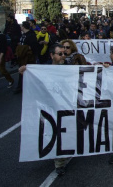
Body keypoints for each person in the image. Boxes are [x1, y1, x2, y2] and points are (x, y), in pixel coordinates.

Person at [19, 44, 71, 175]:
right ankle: (59, 163)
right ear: (52, 55)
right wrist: (25, 71)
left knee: (66, 132)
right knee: (55, 132)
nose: (63, 56)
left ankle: (65, 153)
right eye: (60, 54)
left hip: (66, 106)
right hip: (50, 107)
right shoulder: (42, 69)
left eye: (64, 53)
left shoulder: (70, 68)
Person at [14, 21, 39, 94]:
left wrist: (24, 48)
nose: (21, 27)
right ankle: (20, 87)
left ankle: (26, 87)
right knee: (21, 71)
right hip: (22, 56)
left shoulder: (31, 35)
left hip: (28, 57)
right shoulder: (23, 35)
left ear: (23, 27)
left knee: (27, 72)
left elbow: (32, 47)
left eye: (21, 26)